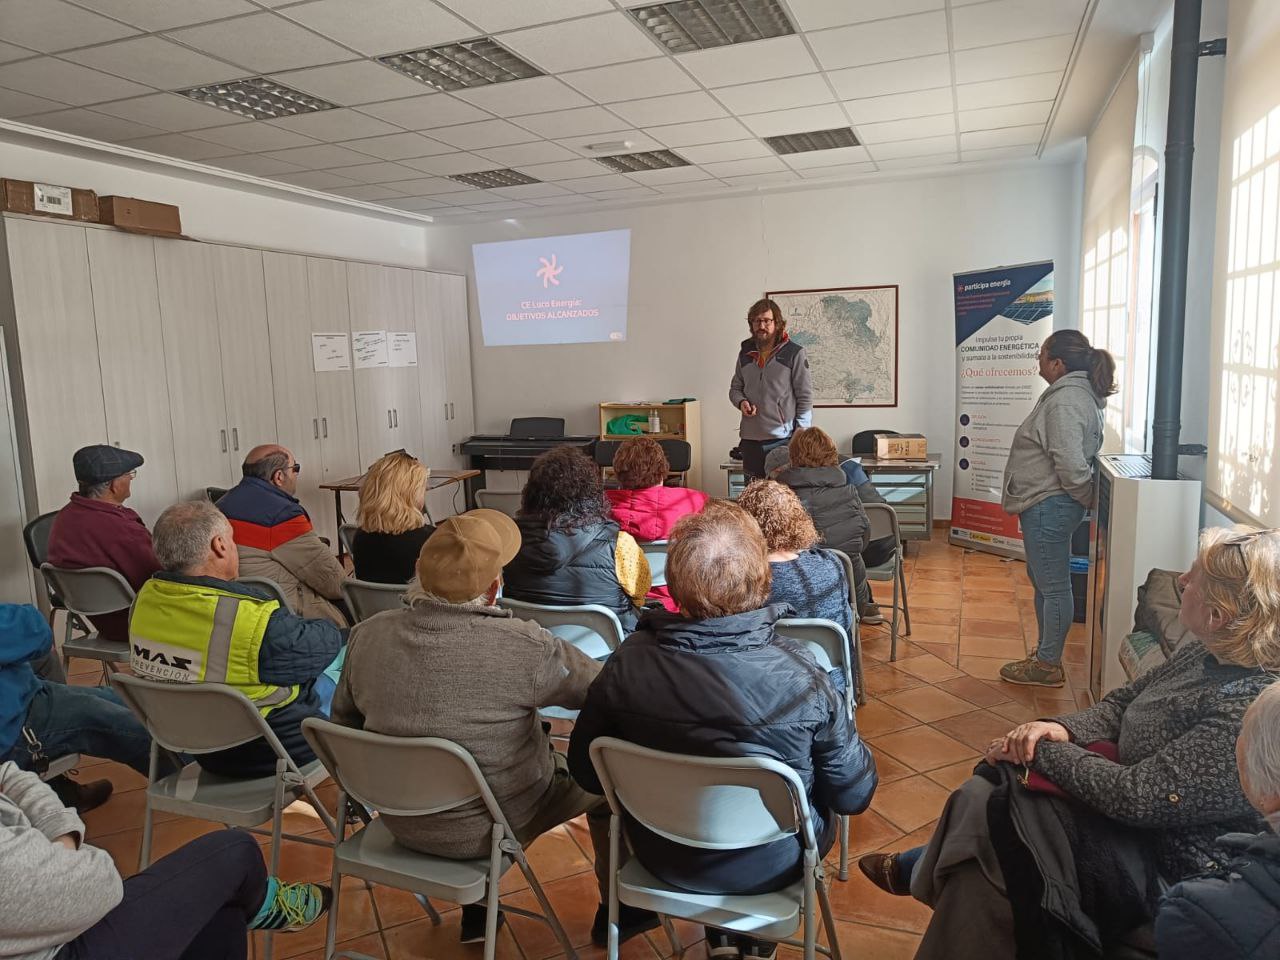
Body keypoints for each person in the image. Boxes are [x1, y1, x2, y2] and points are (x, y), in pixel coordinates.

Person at [858, 526, 1280, 960]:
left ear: (1218, 615)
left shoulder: (1247, 707)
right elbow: (1121, 703)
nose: (1181, 582)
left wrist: (1041, 750)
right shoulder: (1208, 651)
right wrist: (1061, 729)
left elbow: (1138, 796)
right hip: (1122, 812)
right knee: (991, 811)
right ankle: (920, 867)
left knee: (992, 810)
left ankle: (919, 868)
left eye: (1194, 578)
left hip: (1160, 860)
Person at [331, 509, 658, 947]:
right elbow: (604, 692)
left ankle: (478, 912)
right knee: (604, 788)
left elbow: (344, 727)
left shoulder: (367, 636)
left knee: (459, 758)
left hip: (398, 818)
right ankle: (624, 912)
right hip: (493, 824)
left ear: (420, 574)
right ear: (492, 588)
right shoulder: (524, 646)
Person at [568, 503, 877, 960]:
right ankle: (751, 940)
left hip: (659, 853)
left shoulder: (625, 663)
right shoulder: (803, 676)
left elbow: (585, 772)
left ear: (672, 583)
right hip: (771, 864)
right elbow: (853, 795)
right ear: (762, 580)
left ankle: (724, 937)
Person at [0, 763, 330, 959]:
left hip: (45, 916)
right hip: (58, 946)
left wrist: (60, 843)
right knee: (237, 851)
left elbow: (9, 772)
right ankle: (261, 902)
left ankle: (256, 902)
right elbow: (100, 885)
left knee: (222, 913)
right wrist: (65, 842)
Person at [130, 500, 344, 778]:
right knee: (350, 652)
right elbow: (320, 645)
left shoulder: (144, 601)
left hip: (198, 747)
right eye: (232, 541)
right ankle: (373, 791)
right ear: (219, 545)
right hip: (275, 748)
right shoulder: (247, 618)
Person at [999, 330, 1116, 687]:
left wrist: (1084, 497)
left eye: (1041, 356)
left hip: (1049, 506)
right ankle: (1046, 654)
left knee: (1053, 586)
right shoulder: (1073, 396)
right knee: (1046, 582)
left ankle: (1047, 665)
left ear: (1058, 363)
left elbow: (1069, 463)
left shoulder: (1066, 402)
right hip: (1048, 503)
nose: (1037, 363)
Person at [1154, 678, 1280, 959]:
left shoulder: (1195, 914)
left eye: (1243, 736)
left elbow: (1138, 795)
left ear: (1269, 795)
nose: (1237, 744)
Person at [0, 603, 163, 813]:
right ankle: (194, 782)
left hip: (22, 698)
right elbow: (35, 629)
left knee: (125, 700)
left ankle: (56, 790)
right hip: (15, 728)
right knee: (130, 726)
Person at [503, 446, 651, 631]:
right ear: (592, 491)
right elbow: (640, 595)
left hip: (532, 645)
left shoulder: (507, 540)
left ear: (532, 493)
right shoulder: (621, 545)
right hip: (606, 652)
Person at [217, 445, 349, 626]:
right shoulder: (282, 516)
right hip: (288, 615)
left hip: (239, 611)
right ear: (278, 477)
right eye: (295, 468)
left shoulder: (220, 506)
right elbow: (332, 581)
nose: (296, 474)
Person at [46, 444, 161, 646]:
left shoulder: (64, 517)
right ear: (113, 485)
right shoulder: (122, 530)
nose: (131, 479)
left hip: (101, 621)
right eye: (129, 474)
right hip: (138, 622)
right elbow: (157, 577)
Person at [775, 427, 882, 624]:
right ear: (832, 454)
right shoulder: (849, 492)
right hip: (847, 597)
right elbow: (863, 539)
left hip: (790, 599)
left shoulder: (778, 497)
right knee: (853, 558)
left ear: (793, 455)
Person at [604, 437, 708, 612]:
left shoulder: (600, 508)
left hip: (620, 602)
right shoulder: (694, 502)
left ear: (618, 472)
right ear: (662, 470)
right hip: (679, 601)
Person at [730, 297, 813, 480]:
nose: (762, 326)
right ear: (751, 324)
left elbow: (805, 397)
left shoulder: (794, 353)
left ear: (777, 323)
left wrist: (801, 432)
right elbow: (735, 388)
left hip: (782, 441)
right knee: (752, 496)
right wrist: (741, 402)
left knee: (782, 497)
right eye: (757, 321)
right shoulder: (745, 353)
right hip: (750, 441)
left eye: (767, 321)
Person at [351, 449, 435, 584]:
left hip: (374, 606)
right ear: (410, 494)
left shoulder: (360, 538)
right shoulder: (432, 540)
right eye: (423, 491)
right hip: (414, 605)